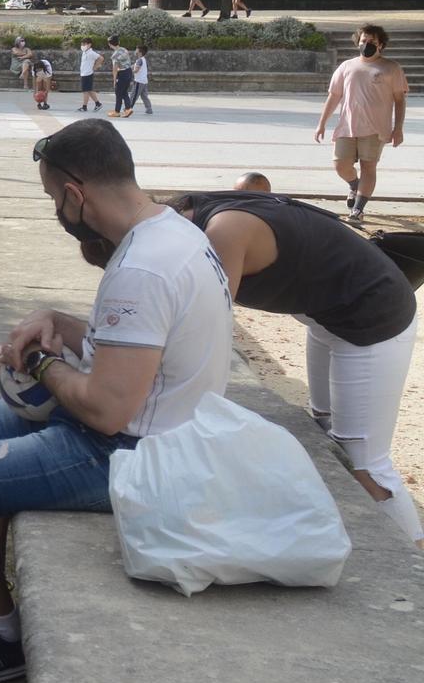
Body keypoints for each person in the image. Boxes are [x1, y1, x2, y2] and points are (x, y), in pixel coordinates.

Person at [0, 119, 233, 683]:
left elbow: (106, 411)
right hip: (161, 428)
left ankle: (2, 636)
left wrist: (40, 364)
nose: (58, 210)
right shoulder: (172, 232)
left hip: (133, 455)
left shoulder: (141, 270)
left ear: (76, 194)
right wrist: (56, 323)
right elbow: (129, 349)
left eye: (55, 198)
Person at [171, 189, 424, 548]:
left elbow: (202, 331)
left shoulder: (222, 231)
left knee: (366, 464)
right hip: (326, 315)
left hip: (373, 320)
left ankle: (414, 562)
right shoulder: (192, 215)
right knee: (323, 429)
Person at [315, 24, 406, 222]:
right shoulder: (346, 66)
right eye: (364, 41)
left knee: (368, 167)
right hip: (347, 126)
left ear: (381, 45)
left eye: (372, 41)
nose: (366, 44)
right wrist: (322, 123)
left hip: (375, 129)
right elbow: (334, 96)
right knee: (340, 165)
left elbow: (399, 100)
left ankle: (358, 209)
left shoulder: (391, 68)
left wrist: (398, 128)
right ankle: (354, 185)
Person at [106, 36, 135, 118]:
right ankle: (127, 109)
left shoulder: (114, 55)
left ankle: (118, 111)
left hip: (122, 73)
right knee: (124, 92)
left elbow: (115, 68)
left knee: (118, 92)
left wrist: (114, 80)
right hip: (129, 72)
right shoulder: (124, 49)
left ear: (110, 44)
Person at [76, 38, 103, 112]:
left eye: (84, 44)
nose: (82, 46)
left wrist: (95, 66)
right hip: (84, 73)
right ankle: (98, 104)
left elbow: (101, 58)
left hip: (88, 73)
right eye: (82, 44)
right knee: (89, 90)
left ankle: (84, 107)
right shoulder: (85, 52)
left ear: (89, 44)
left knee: (85, 91)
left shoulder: (91, 53)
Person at [130, 43, 154, 116]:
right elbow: (134, 66)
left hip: (139, 81)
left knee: (133, 96)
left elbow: (136, 70)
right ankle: (149, 109)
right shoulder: (143, 59)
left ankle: (128, 109)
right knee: (144, 96)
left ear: (139, 52)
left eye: (136, 50)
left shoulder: (139, 60)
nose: (135, 51)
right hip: (144, 81)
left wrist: (128, 72)